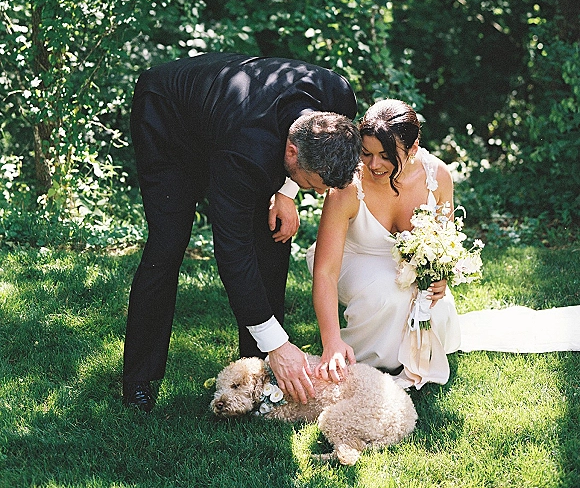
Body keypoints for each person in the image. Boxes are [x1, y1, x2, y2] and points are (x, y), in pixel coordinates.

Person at [123, 52, 362, 411]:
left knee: (271, 232)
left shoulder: (337, 97)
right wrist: (279, 344)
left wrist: (287, 192)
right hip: (167, 121)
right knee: (167, 245)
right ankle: (138, 378)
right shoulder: (246, 151)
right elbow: (232, 251)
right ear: (293, 152)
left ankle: (258, 373)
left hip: (230, 119)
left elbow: (300, 171)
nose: (320, 194)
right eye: (314, 185)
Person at [307, 98, 461, 390]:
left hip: (405, 264)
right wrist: (331, 341)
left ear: (413, 147)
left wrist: (440, 275)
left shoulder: (437, 176)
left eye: (386, 155)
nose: (374, 165)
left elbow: (445, 241)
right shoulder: (348, 186)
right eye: (366, 153)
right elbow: (326, 271)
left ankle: (410, 356)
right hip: (350, 258)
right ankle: (364, 358)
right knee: (387, 293)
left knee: (432, 304)